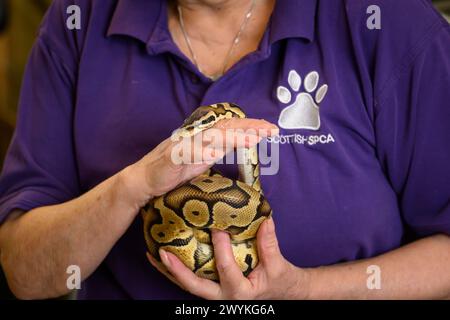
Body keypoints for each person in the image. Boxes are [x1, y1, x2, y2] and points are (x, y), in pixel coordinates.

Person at [0, 0, 449, 300]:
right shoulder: (79, 20)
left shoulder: (385, 22)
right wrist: (134, 185)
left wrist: (304, 289)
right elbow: (24, 270)